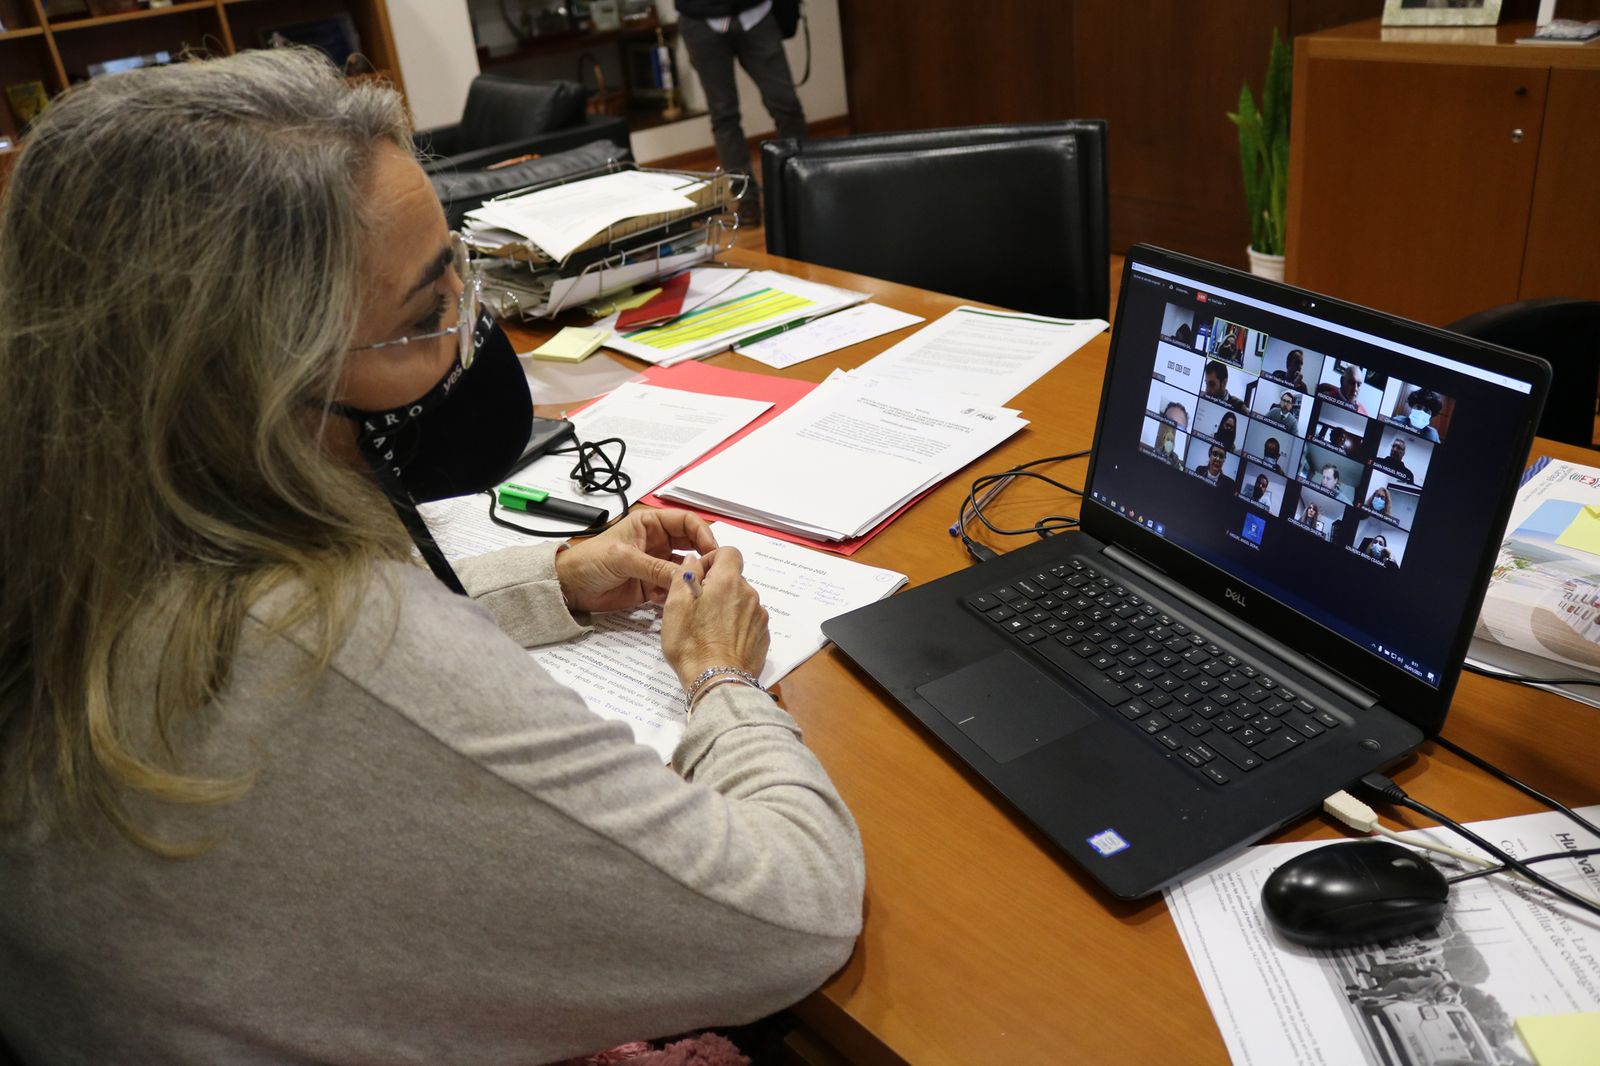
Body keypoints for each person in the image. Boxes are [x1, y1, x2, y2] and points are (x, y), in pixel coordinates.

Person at [0, 50, 864, 1064]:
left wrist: (546, 582)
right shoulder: (326, 642)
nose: (470, 335)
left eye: (464, 276)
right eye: (423, 316)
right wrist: (722, 681)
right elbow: (791, 912)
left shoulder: (78, 541)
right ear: (252, 387)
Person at [676, 0, 807, 227]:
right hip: (700, 20)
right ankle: (745, 195)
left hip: (757, 14)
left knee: (786, 104)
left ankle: (801, 182)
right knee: (723, 114)